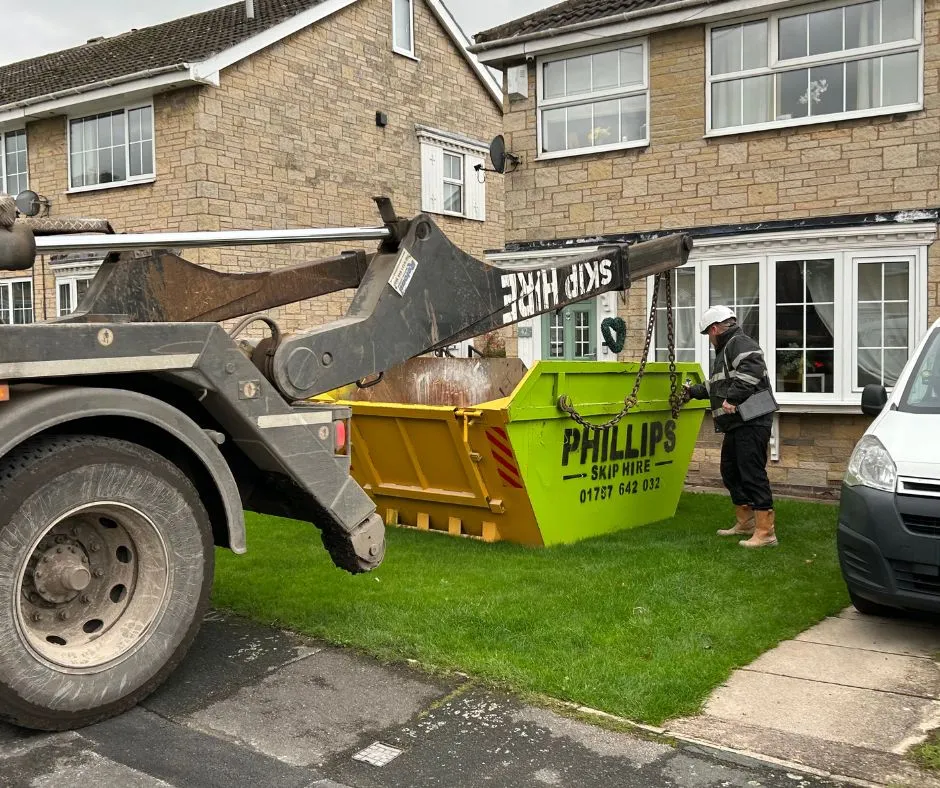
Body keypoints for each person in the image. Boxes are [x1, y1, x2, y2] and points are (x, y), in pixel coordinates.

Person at [683, 305, 778, 548]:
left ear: (714, 329)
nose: (709, 339)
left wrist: (733, 398)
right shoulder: (727, 349)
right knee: (731, 470)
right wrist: (692, 392)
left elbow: (753, 367)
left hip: (752, 420)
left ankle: (766, 532)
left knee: (752, 473)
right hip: (739, 423)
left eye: (708, 334)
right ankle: (745, 522)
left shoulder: (739, 342)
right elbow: (717, 384)